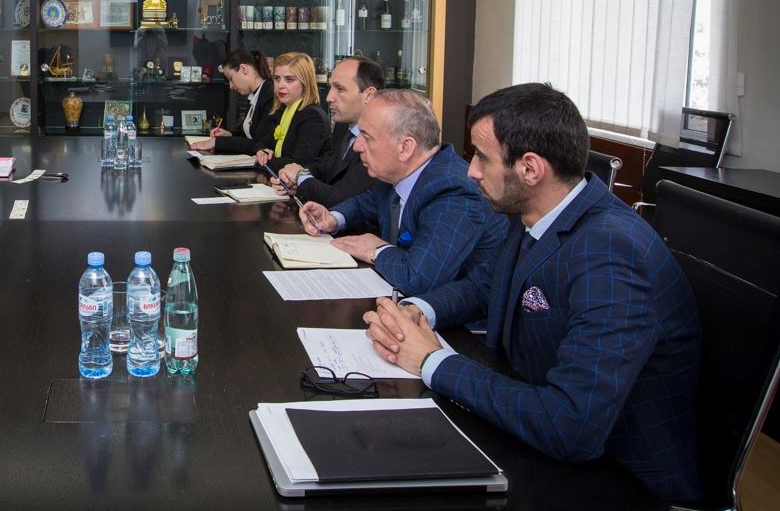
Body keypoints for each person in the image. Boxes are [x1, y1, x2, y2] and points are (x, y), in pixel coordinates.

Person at [362, 83, 701, 502]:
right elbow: (487, 286)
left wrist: (432, 361)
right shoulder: (535, 214)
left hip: (620, 480)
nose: (471, 171)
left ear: (530, 169)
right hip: (534, 429)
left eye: (482, 157)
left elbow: (571, 425)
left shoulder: (611, 253)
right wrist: (418, 311)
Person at [300, 89, 505, 295]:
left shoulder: (453, 191)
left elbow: (418, 277)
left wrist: (376, 250)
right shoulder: (399, 172)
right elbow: (366, 203)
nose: (357, 147)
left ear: (405, 147)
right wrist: (334, 218)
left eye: (367, 137)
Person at [273, 56, 383, 206]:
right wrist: (294, 178)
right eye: (331, 87)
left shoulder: (380, 139)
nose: (329, 97)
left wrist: (300, 176)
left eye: (340, 89)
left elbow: (339, 197)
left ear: (368, 95)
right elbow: (327, 168)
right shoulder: (342, 126)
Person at [253, 52, 332, 172]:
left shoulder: (313, 117)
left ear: (305, 82)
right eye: (277, 78)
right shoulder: (286, 111)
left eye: (289, 80)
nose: (280, 85)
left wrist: (262, 161)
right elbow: (261, 143)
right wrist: (261, 152)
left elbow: (297, 164)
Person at [188, 49, 274, 154]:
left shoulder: (270, 96)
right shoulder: (254, 96)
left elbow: (261, 144)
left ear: (244, 69)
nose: (231, 86)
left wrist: (217, 142)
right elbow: (247, 136)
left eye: (231, 79)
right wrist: (229, 135)